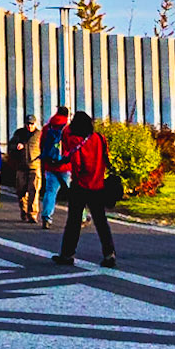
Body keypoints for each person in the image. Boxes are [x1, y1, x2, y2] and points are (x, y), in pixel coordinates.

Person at [53, 111, 116, 268]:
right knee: (101, 222)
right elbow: (106, 159)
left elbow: (77, 163)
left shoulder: (75, 140)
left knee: (73, 222)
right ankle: (109, 254)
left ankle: (68, 254)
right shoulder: (100, 139)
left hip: (80, 186)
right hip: (98, 185)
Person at [39, 103, 71, 229]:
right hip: (65, 166)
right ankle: (82, 217)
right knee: (73, 193)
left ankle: (46, 217)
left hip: (50, 165)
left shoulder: (48, 127)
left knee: (50, 192)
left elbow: (42, 145)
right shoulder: (68, 129)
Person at [7, 112, 42, 222]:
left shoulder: (40, 135)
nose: (30, 126)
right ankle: (24, 211)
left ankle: (32, 214)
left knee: (34, 191)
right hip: (21, 166)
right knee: (21, 191)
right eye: (28, 124)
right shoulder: (19, 133)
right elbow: (10, 145)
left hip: (34, 166)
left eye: (31, 124)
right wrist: (16, 146)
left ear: (35, 124)